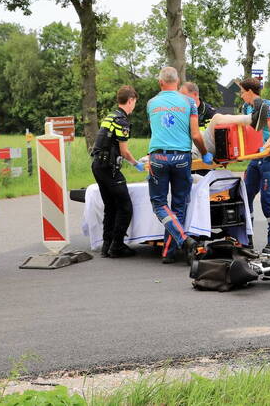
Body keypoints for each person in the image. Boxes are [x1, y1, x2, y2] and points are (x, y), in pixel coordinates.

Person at [146, 66, 212, 263]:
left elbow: (157, 127)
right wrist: (205, 153)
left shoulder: (151, 103)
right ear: (177, 81)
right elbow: (195, 135)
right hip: (182, 157)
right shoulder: (189, 102)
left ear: (160, 82)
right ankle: (175, 247)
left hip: (158, 157)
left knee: (159, 204)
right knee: (179, 204)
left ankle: (175, 247)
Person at [90, 85, 145, 258]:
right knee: (125, 207)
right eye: (134, 102)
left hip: (97, 166)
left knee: (110, 206)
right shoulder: (122, 121)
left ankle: (107, 245)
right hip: (109, 169)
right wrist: (137, 164)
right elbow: (124, 151)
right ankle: (117, 246)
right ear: (130, 100)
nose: (134, 106)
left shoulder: (110, 116)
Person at [238, 78, 270, 253]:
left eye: (242, 92)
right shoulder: (245, 108)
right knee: (245, 197)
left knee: (266, 199)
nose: (241, 95)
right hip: (254, 159)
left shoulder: (267, 106)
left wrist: (264, 148)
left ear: (250, 92)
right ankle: (247, 238)